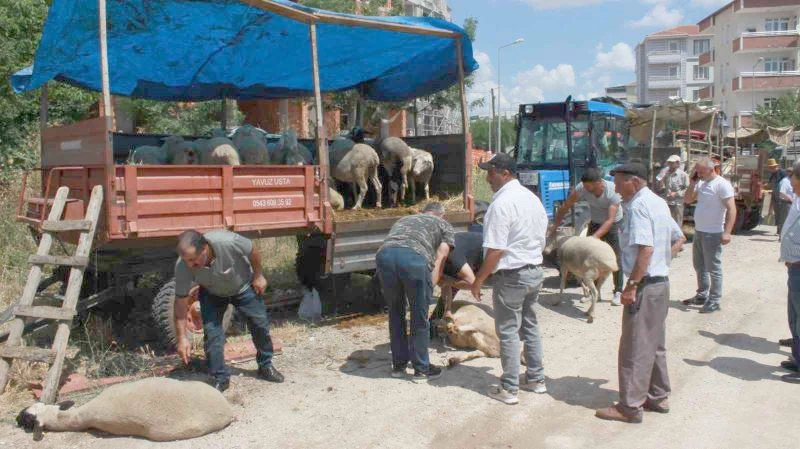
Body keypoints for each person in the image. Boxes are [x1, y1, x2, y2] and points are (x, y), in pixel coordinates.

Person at [595, 162, 685, 423]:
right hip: (660, 283)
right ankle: (657, 396)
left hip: (645, 285)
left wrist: (632, 285)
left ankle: (630, 407)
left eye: (619, 183)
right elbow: (679, 238)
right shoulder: (658, 202)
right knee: (654, 343)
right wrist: (662, 262)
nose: (616, 189)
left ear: (633, 181)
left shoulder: (637, 207)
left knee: (634, 347)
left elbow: (646, 249)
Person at [471, 153, 548, 405]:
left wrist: (479, 280)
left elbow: (496, 250)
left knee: (508, 332)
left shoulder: (501, 204)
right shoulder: (532, 199)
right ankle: (536, 379)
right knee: (530, 326)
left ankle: (509, 387)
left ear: (505, 174)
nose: (487, 178)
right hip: (534, 270)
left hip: (512, 275)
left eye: (490, 173)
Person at [174, 229, 283, 392]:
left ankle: (265, 365)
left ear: (204, 249)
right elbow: (181, 303)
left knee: (260, 325)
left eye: (193, 259)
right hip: (212, 293)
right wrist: (182, 338)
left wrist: (258, 275)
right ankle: (220, 377)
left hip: (243, 286)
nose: (190, 265)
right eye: (186, 260)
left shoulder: (227, 242)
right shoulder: (183, 265)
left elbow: (252, 249)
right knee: (213, 335)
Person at [376, 202, 455, 382]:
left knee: (395, 313)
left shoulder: (404, 219)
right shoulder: (444, 225)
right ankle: (421, 369)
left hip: (384, 256)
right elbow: (441, 255)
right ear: (442, 215)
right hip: (413, 259)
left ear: (423, 212)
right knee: (419, 315)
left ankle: (398, 366)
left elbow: (389, 243)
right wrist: (431, 284)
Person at [552, 167, 624, 305]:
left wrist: (593, 238)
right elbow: (566, 206)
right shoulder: (582, 188)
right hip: (595, 221)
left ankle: (618, 291)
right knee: (589, 257)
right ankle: (594, 292)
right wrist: (555, 225)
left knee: (615, 257)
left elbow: (610, 220)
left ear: (598, 183)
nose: (586, 189)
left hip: (614, 223)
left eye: (589, 186)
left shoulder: (613, 191)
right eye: (584, 186)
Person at [682, 157, 736, 314]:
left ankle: (714, 300)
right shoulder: (701, 183)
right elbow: (688, 199)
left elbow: (732, 209)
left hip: (713, 232)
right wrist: (692, 183)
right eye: (697, 171)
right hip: (699, 231)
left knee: (713, 268)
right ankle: (702, 294)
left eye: (700, 171)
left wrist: (727, 232)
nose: (698, 173)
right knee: (699, 266)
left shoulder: (722, 184)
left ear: (710, 169)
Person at [779, 162, 800, 384]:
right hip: (794, 266)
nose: (789, 180)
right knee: (794, 316)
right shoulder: (798, 199)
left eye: (793, 176)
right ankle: (797, 357)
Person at [656, 154, 689, 227]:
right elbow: (660, 188)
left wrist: (676, 193)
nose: (670, 164)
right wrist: (661, 179)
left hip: (677, 203)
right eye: (669, 162)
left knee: (676, 224)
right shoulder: (665, 173)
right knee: (666, 224)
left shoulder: (683, 175)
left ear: (677, 163)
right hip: (666, 202)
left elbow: (686, 189)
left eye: (672, 162)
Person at [766, 158, 785, 232]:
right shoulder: (773, 174)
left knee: (782, 213)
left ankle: (781, 229)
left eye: (770, 167)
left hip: (781, 197)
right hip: (775, 196)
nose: (769, 169)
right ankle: (778, 228)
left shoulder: (782, 173)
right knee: (777, 213)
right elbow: (770, 183)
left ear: (774, 167)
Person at [776, 167, 795, 236]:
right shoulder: (785, 181)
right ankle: (782, 236)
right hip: (786, 203)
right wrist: (790, 199)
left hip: (791, 203)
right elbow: (782, 193)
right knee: (784, 220)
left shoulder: (792, 180)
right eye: (789, 171)